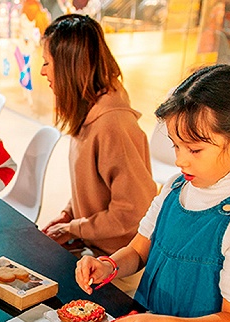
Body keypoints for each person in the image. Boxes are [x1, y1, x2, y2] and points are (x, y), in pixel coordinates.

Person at [76, 64, 230, 322]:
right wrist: (108, 265)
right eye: (176, 146)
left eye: (194, 149)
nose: (179, 159)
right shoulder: (177, 187)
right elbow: (138, 251)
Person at [39, 15, 156, 262]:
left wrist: (75, 228)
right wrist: (68, 215)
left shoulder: (113, 125)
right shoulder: (89, 113)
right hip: (91, 245)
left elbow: (132, 213)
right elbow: (93, 188)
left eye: (47, 63)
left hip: (116, 261)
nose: (42, 71)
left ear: (69, 67)